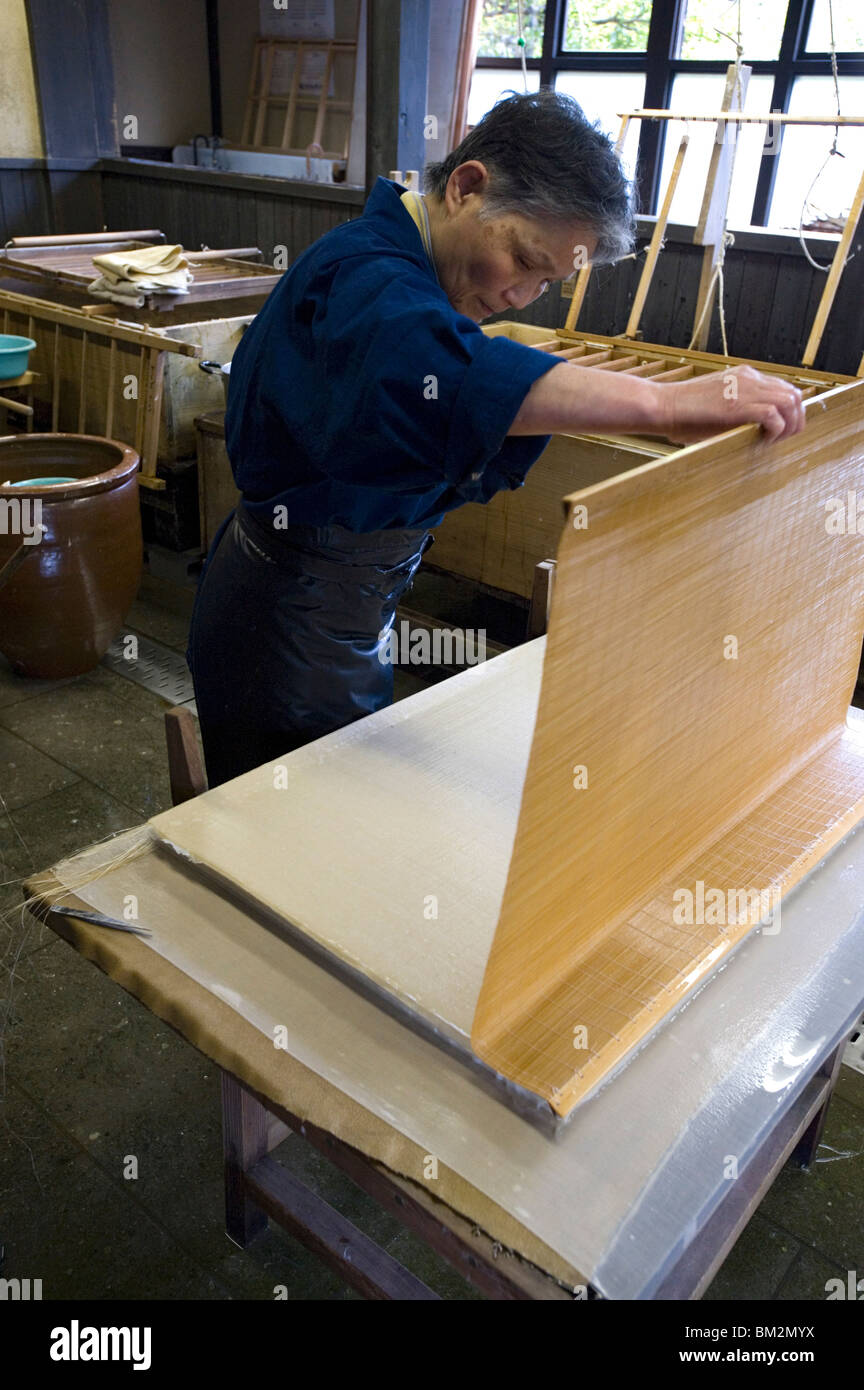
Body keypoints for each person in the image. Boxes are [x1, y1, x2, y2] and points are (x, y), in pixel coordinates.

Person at [187, 91, 804, 788]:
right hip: (285, 623)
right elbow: (444, 370)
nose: (521, 296)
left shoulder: (405, 272)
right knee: (284, 837)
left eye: (548, 282)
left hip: (337, 609)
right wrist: (663, 404)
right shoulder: (367, 275)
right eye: (523, 259)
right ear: (466, 187)